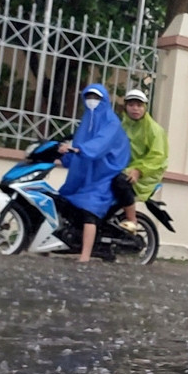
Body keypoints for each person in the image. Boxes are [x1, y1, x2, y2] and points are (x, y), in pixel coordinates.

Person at [58, 84, 130, 262]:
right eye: (89, 96)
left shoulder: (111, 122)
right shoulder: (86, 120)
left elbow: (100, 144)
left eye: (97, 97)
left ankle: (85, 256)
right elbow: (78, 142)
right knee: (63, 201)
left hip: (104, 173)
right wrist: (64, 156)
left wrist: (78, 150)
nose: (92, 101)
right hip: (86, 172)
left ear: (104, 100)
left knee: (89, 208)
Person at [111, 89, 169, 234]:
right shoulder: (123, 126)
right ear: (126, 107)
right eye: (131, 105)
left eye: (139, 105)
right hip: (127, 167)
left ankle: (132, 220)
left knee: (120, 181)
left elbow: (158, 156)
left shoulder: (154, 129)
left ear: (145, 108)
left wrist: (139, 170)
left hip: (147, 172)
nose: (135, 108)